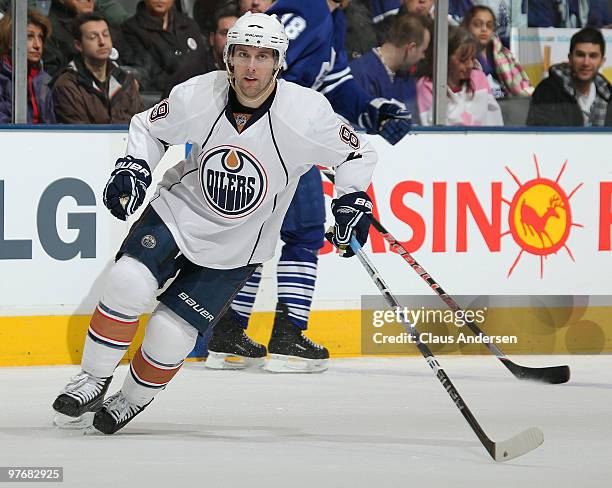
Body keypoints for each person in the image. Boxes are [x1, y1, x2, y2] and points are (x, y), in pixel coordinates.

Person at [51, 11, 377, 435]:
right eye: (243, 54)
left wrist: (352, 199)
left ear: (279, 62)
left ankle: (131, 398)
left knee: (170, 333)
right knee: (127, 281)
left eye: (263, 56)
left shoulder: (306, 114)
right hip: (179, 210)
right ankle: (92, 379)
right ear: (228, 57)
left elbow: (358, 153)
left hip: (237, 245)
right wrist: (134, 165)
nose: (252, 67)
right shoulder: (199, 94)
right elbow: (148, 127)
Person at [205, 0, 411, 374]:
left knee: (260, 234)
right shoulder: (308, 10)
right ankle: (284, 337)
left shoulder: (332, 18)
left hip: (277, 136)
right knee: (304, 230)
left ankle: (229, 333)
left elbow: (336, 86)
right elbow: (262, 72)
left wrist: (373, 111)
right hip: (273, 139)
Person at [52, 13, 143, 124]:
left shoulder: (125, 80)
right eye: (93, 37)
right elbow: (79, 134)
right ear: (78, 45)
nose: (102, 42)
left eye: (105, 35)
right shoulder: (67, 86)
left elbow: (141, 125)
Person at [417, 25, 503, 126]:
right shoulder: (427, 86)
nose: (470, 65)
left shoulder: (479, 78)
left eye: (472, 59)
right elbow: (430, 128)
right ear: (445, 58)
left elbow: (494, 122)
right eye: (463, 60)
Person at [350, 13, 429, 121]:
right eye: (423, 51)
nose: (423, 56)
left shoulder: (406, 78)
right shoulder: (361, 73)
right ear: (411, 48)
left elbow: (414, 124)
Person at [527, 27, 612, 126]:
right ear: (570, 58)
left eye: (593, 56)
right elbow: (540, 135)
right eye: (580, 55)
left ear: (602, 61)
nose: (586, 63)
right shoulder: (547, 91)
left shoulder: (608, 95)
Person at [121, 0, 205, 91]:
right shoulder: (131, 29)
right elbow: (149, 73)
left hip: (200, 90)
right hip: (163, 96)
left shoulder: (189, 24)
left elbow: (203, 61)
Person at [161, 5, 238, 98]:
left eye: (235, 34)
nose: (230, 40)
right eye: (225, 33)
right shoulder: (189, 76)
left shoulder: (246, 72)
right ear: (212, 38)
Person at [462, 5, 533, 99]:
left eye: (489, 25)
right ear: (467, 26)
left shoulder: (505, 54)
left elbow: (522, 86)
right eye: (477, 24)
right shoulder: (461, 56)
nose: (484, 29)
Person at [0, 9, 55, 124]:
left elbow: (50, 123)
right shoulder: (2, 78)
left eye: (40, 37)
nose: (38, 45)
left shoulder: (43, 80)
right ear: (10, 41)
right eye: (29, 36)